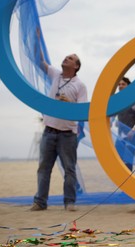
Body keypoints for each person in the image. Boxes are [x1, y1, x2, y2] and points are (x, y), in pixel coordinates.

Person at [31, 33, 88, 211]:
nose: (67, 58)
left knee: (69, 170)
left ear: (76, 66)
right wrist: (36, 38)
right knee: (43, 168)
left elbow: (84, 111)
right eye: (67, 56)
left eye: (71, 58)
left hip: (67, 135)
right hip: (49, 131)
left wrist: (69, 104)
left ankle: (69, 203)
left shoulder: (80, 85)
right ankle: (40, 202)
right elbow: (38, 60)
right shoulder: (55, 74)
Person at [114, 77, 135, 171]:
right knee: (117, 162)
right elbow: (112, 116)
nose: (120, 86)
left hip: (131, 137)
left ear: (128, 86)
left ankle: (127, 184)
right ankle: (121, 184)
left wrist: (134, 130)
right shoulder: (117, 101)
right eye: (119, 84)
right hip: (120, 137)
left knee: (128, 163)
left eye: (123, 84)